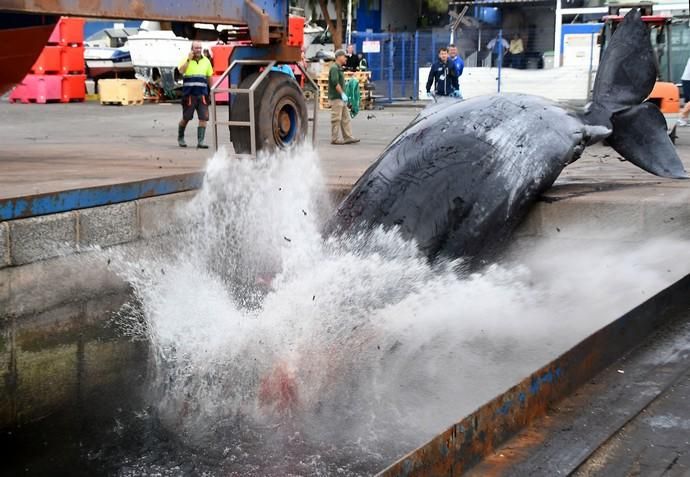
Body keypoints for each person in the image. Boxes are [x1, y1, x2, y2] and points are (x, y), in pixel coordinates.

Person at [177, 41, 213, 148]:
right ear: (192, 49)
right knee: (186, 118)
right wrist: (188, 59)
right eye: (196, 48)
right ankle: (180, 137)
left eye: (200, 48)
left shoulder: (206, 61)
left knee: (204, 118)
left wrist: (213, 90)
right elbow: (181, 71)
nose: (198, 50)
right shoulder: (186, 60)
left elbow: (209, 77)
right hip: (189, 95)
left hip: (202, 95)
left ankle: (200, 142)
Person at [328, 50, 360, 145]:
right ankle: (335, 138)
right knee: (336, 118)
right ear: (338, 57)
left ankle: (348, 137)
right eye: (344, 56)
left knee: (345, 118)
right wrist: (342, 93)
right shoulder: (334, 68)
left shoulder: (339, 68)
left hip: (341, 98)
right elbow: (335, 82)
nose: (346, 58)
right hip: (336, 97)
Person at [678, 57, 690, 126]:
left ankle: (684, 119)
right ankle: (681, 118)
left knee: (688, 101)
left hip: (687, 79)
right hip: (688, 80)